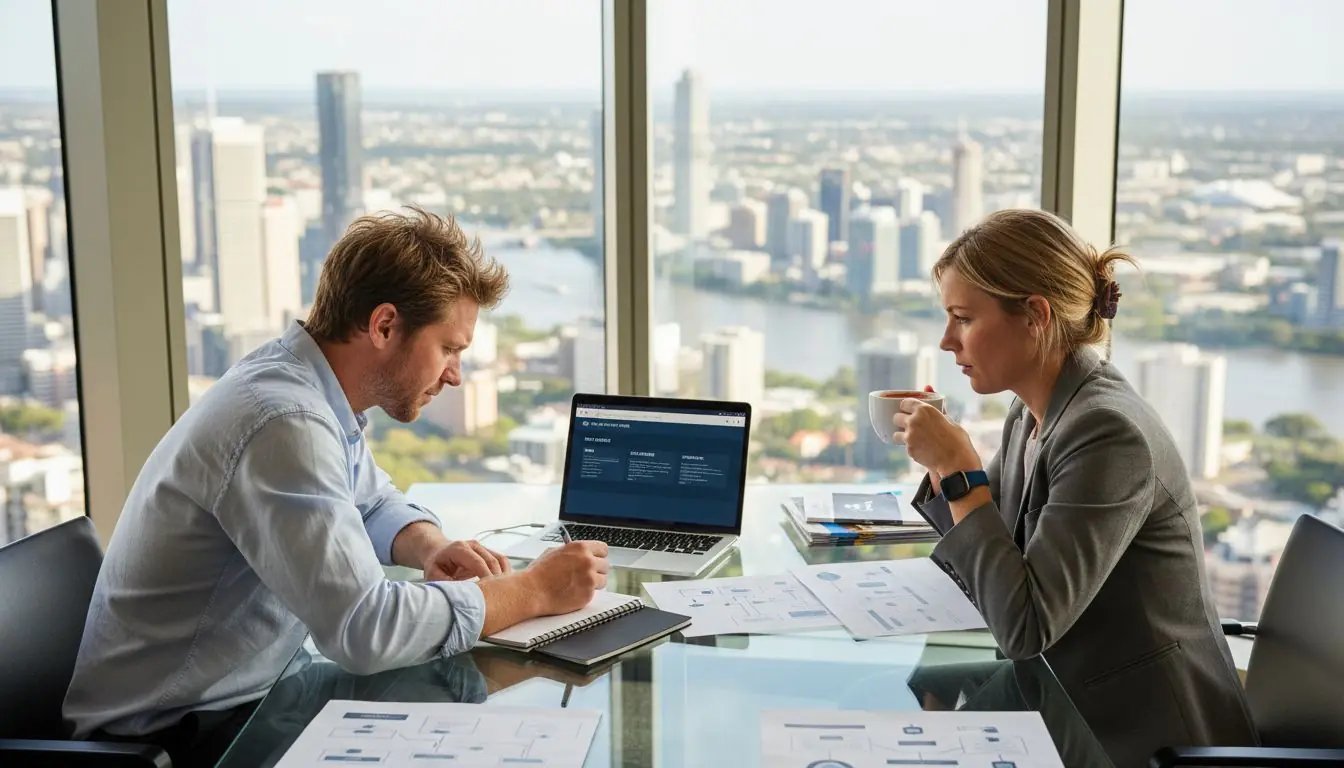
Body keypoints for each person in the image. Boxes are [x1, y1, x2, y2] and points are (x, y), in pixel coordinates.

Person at [63, 207, 609, 766]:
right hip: (180, 736)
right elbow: (365, 629)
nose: (454, 375)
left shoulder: (304, 388)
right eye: (449, 348)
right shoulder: (283, 420)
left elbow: (368, 501)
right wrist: (531, 591)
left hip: (263, 690)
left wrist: (431, 547)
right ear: (384, 326)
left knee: (469, 720)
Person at [897, 209, 1256, 765]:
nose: (947, 341)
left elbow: (1024, 626)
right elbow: (990, 564)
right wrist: (948, 472)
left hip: (1141, 737)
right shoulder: (1030, 412)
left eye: (963, 319)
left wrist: (960, 471)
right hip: (1065, 699)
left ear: (1035, 315)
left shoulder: (1108, 433)